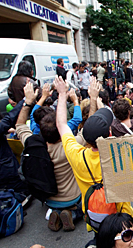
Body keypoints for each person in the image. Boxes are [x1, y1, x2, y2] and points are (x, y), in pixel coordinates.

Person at [56, 76, 133, 231]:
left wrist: (62, 95)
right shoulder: (120, 154)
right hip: (122, 219)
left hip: (96, 220)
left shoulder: (77, 155)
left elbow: (61, 124)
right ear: (109, 133)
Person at [16, 82, 84, 231]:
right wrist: (72, 98)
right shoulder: (70, 145)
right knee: (88, 199)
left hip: (48, 198)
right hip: (72, 197)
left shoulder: (32, 143)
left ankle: (56, 212)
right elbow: (88, 127)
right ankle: (71, 214)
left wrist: (28, 102)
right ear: (60, 128)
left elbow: (20, 125)